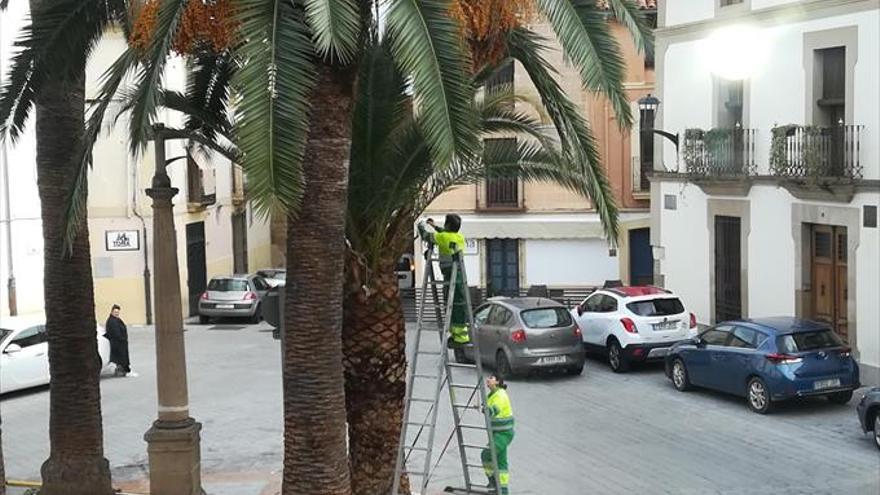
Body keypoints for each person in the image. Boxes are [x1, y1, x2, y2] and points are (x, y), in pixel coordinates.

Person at [417, 214, 471, 348]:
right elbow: (445, 233)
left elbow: (426, 236)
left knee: (450, 303)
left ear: (448, 225)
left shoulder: (442, 237)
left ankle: (459, 338)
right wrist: (434, 226)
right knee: (457, 303)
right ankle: (458, 336)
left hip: (449, 273)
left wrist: (421, 226)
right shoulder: (458, 237)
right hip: (458, 272)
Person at [481, 374, 514, 494]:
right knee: (501, 462)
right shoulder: (492, 395)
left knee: (486, 454)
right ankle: (503, 491)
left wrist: (484, 409)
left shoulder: (500, 395)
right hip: (497, 434)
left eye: (491, 378)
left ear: (497, 382)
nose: (488, 380)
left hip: (503, 434)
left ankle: (493, 483)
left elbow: (493, 410)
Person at [105, 304, 131, 377]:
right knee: (120, 359)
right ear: (112, 312)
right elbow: (115, 332)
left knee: (121, 359)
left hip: (120, 342)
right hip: (118, 343)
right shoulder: (112, 321)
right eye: (115, 312)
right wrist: (122, 338)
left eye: (118, 312)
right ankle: (120, 371)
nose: (117, 313)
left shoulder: (116, 319)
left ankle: (122, 371)